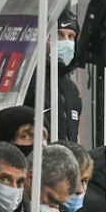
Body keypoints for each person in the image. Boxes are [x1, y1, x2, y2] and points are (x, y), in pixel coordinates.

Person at [25, 8, 83, 142]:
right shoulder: (29, 81)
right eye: (59, 35)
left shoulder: (71, 88)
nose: (67, 42)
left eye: (71, 37)